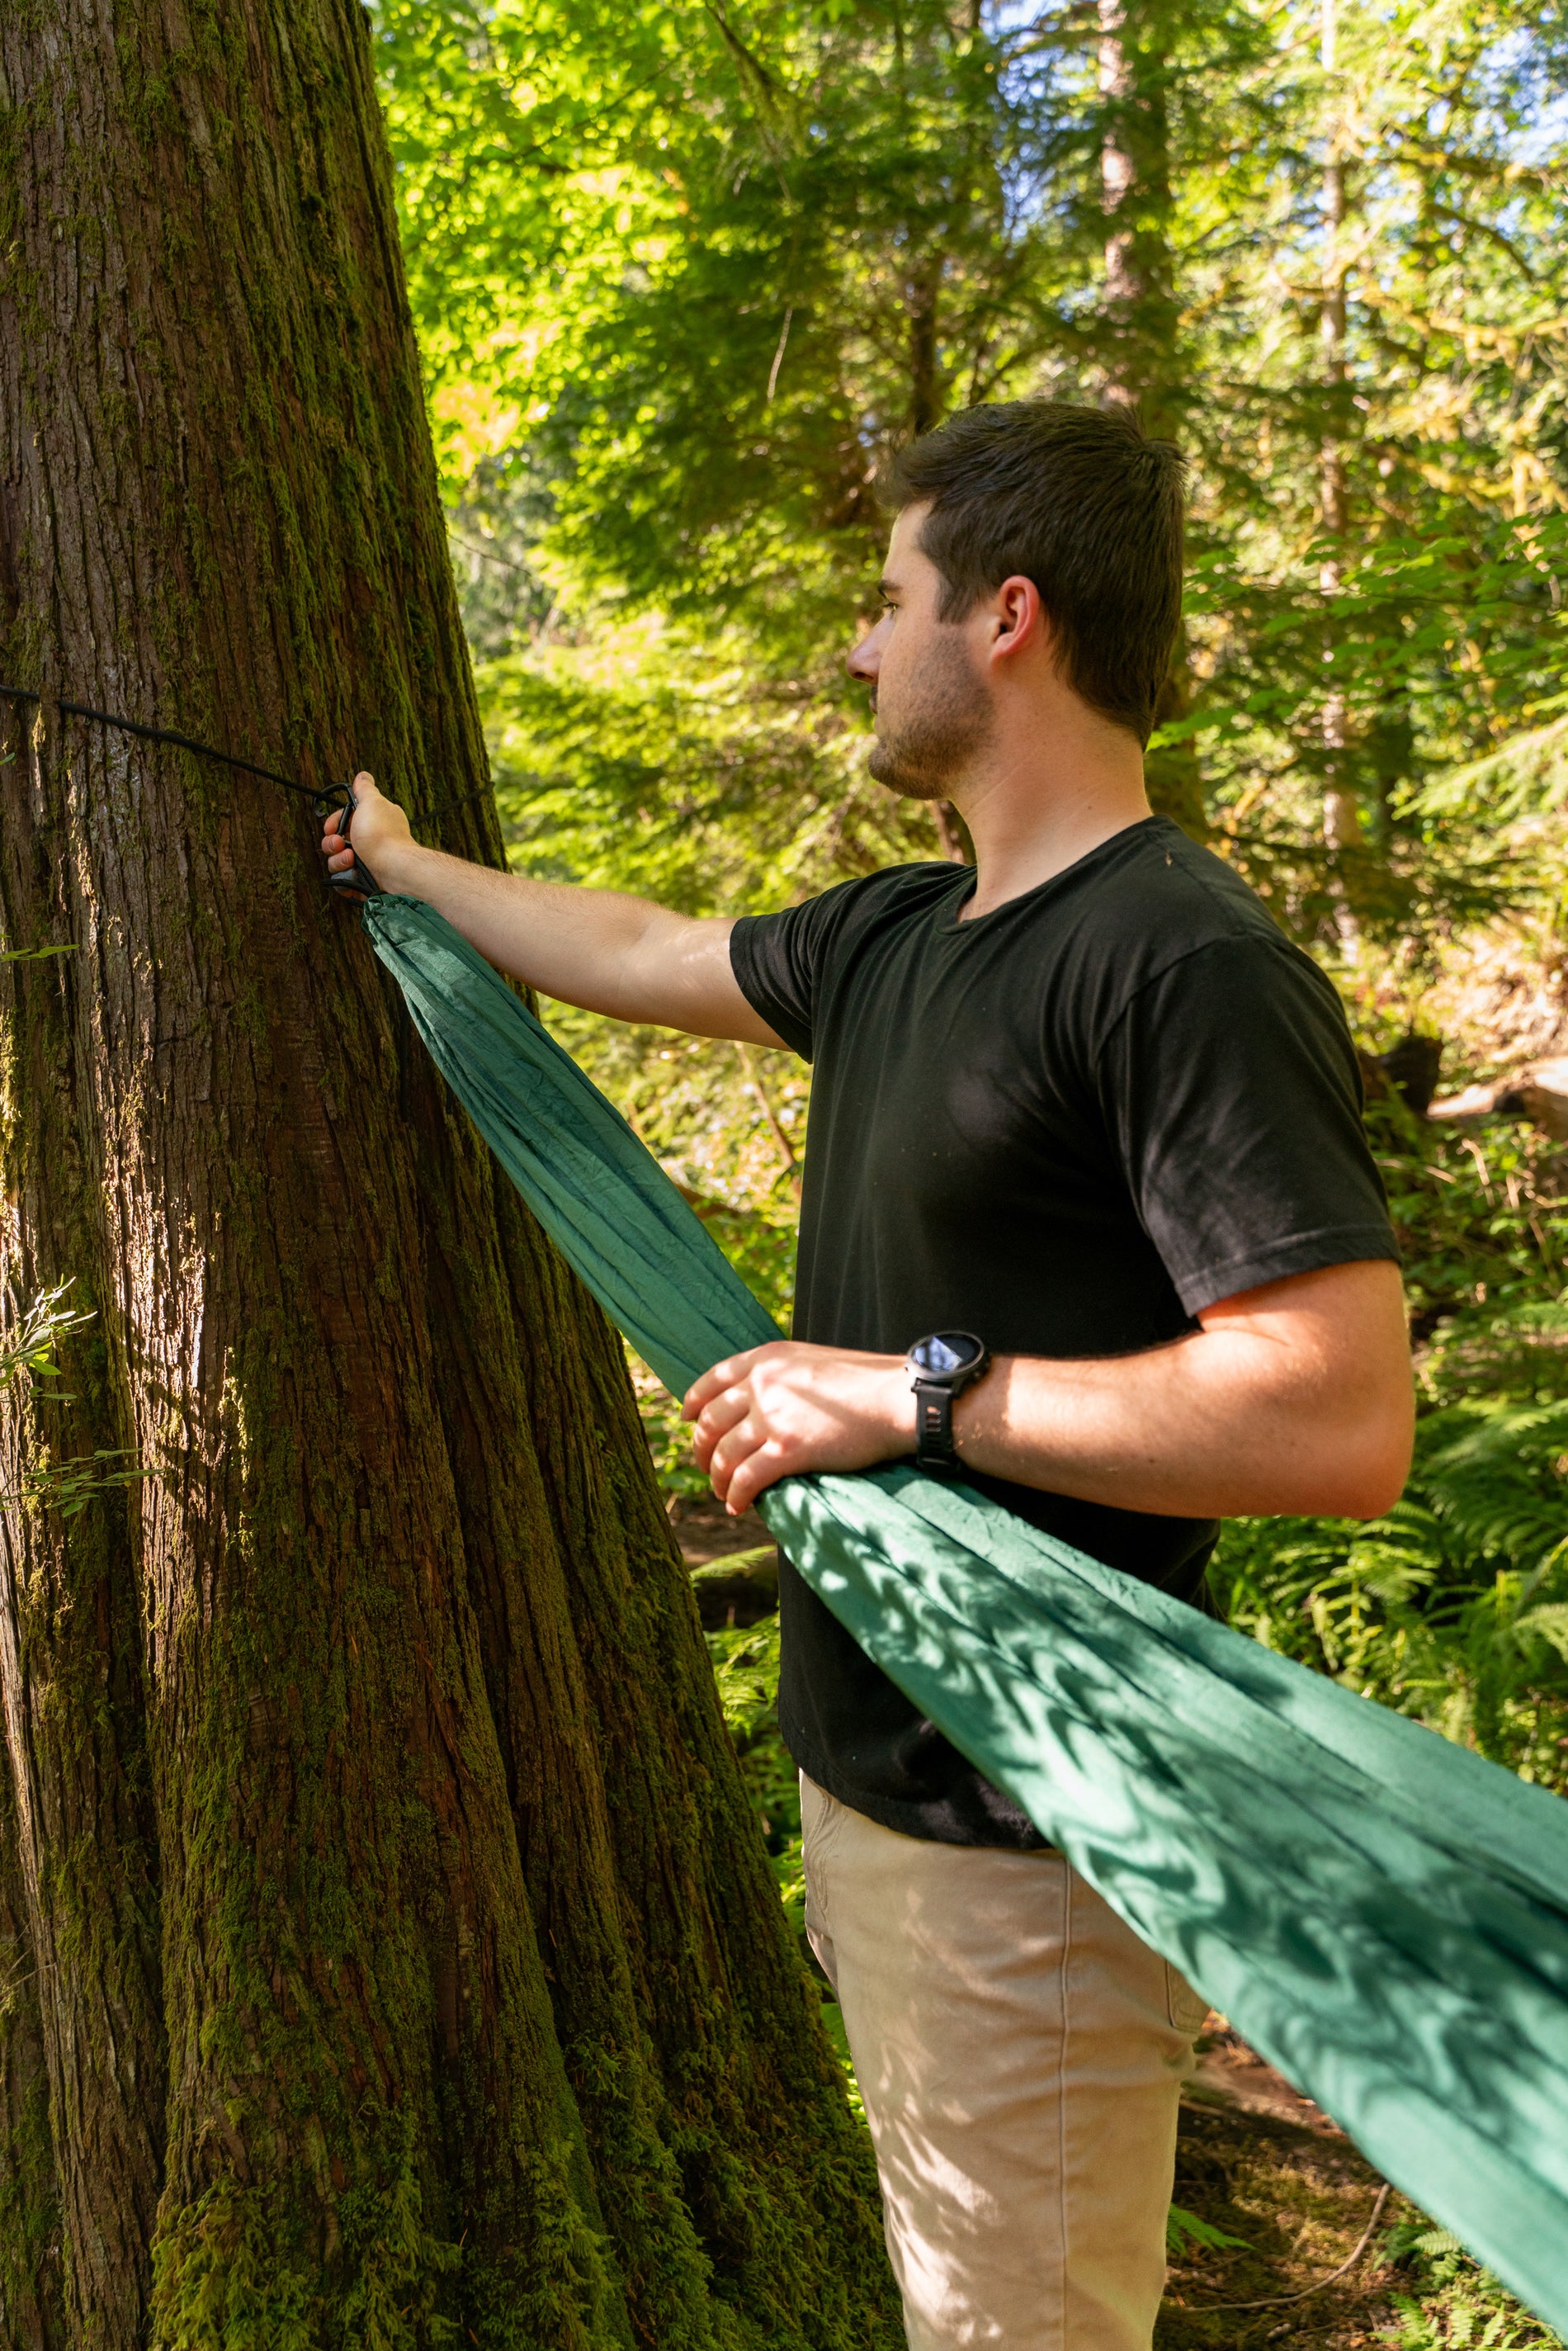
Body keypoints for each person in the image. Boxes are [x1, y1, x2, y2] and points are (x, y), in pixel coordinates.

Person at [322, 400, 1413, 2351]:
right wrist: (409, 872)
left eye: (882, 597)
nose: (855, 642)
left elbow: (1332, 1413)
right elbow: (644, 943)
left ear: (1004, 619)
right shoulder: (907, 933)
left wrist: (914, 1389)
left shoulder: (1182, 960)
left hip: (1036, 1832)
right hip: (873, 1786)